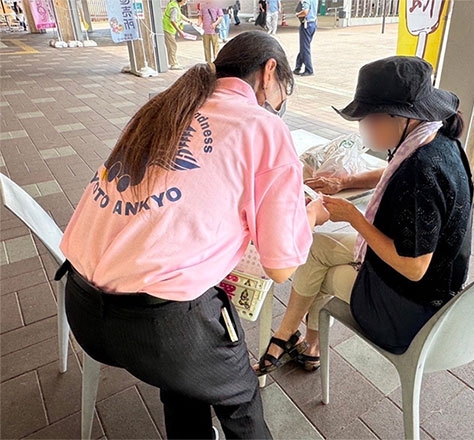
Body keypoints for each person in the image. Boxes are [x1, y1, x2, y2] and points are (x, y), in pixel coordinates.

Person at [57, 31, 329, 440]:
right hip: (160, 330)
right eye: (280, 95)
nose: (278, 107)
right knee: (239, 400)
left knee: (187, 378)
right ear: (269, 72)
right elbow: (280, 266)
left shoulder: (162, 107)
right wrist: (309, 215)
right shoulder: (262, 126)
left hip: (82, 310)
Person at [254, 56, 473, 375]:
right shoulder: (433, 138)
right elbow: (392, 172)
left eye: (367, 118)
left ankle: (289, 337)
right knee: (316, 251)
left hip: (409, 306)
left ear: (397, 116)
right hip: (442, 281)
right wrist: (347, 182)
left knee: (315, 271)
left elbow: (413, 267)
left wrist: (353, 216)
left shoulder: (420, 174)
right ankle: (300, 342)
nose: (363, 127)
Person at [162, 0, 193, 70]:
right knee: (172, 46)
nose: (186, 1)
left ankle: (174, 62)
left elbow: (179, 15)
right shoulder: (174, 8)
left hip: (169, 28)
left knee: (172, 46)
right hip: (168, 29)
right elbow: (172, 20)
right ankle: (173, 64)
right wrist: (180, 31)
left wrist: (188, 21)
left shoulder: (174, 4)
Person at [294, 0, 318, 77]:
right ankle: (298, 67)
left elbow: (305, 12)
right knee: (304, 47)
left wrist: (298, 14)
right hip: (313, 24)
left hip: (306, 24)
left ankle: (309, 69)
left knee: (305, 48)